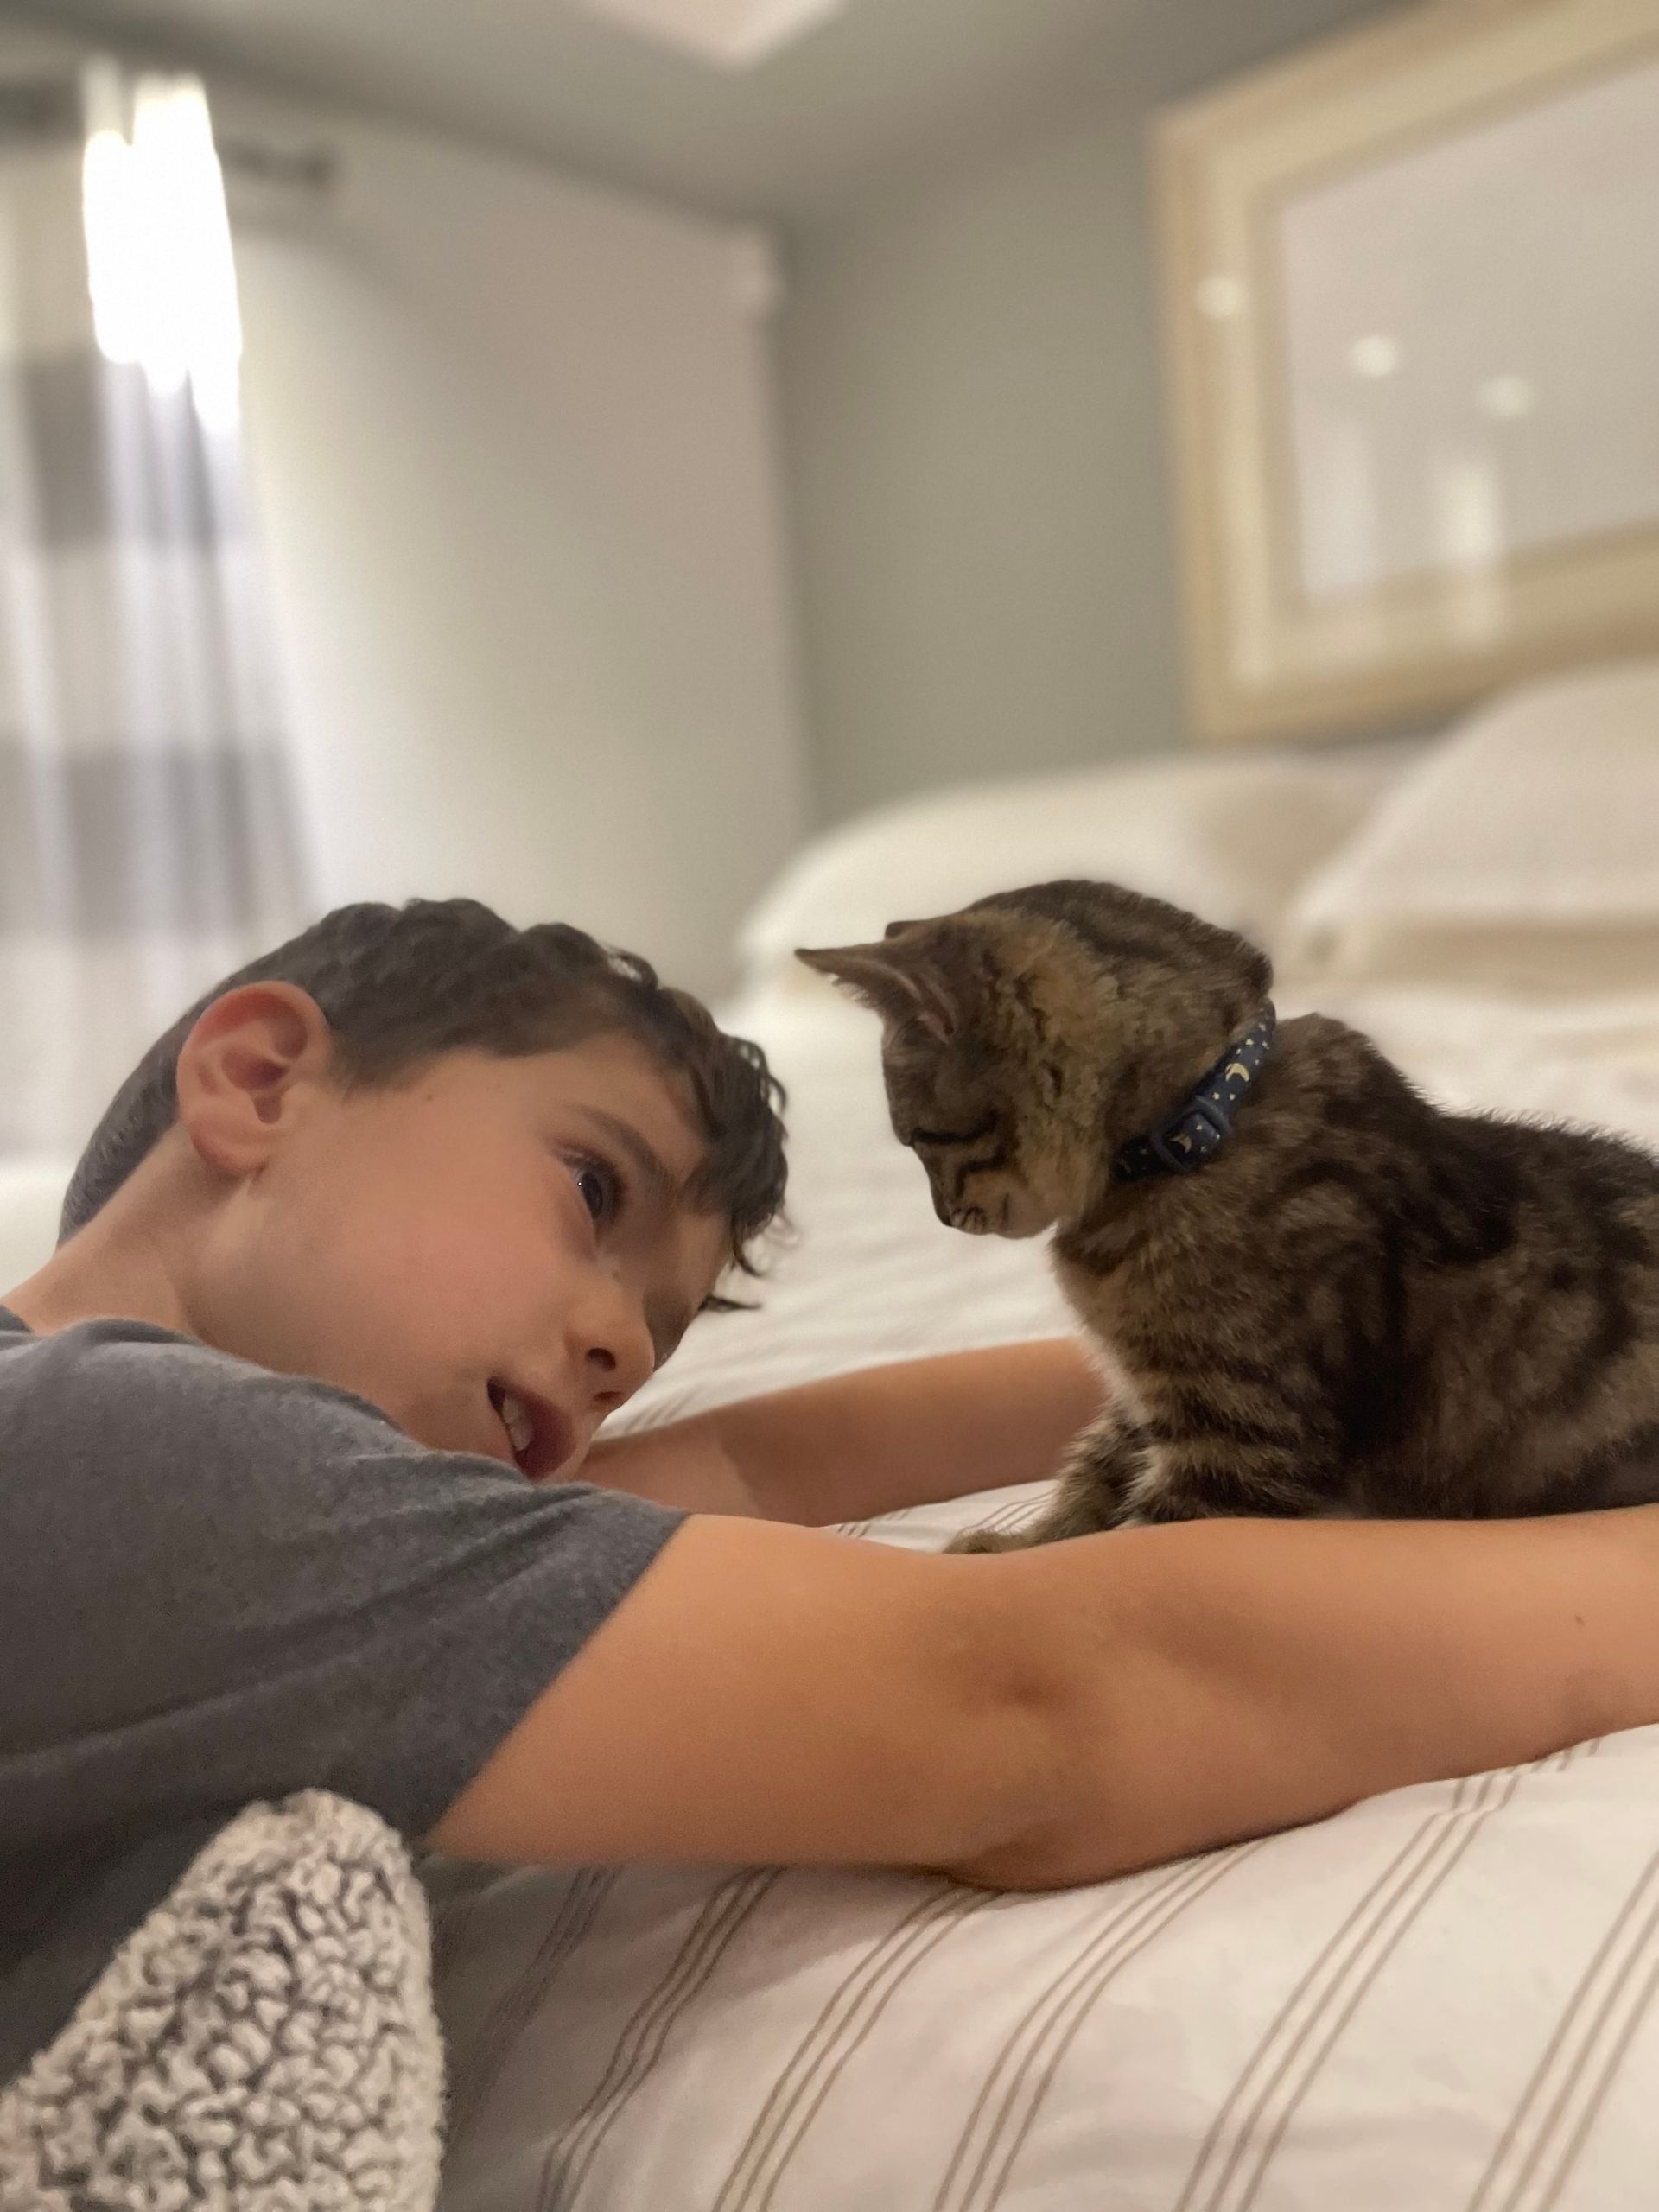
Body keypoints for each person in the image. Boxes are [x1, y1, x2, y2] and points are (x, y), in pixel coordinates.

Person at [4, 898, 1658, 2094]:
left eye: (641, 1355)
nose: (603, 1353)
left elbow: (750, 1469)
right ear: (262, 1076)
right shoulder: (134, 1461)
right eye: (592, 1191)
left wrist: (1313, 1317)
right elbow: (1045, 1695)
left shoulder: (149, 1505)